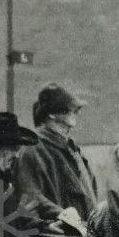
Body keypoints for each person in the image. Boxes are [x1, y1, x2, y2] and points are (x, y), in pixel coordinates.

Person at [17, 83, 98, 225]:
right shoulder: (33, 149)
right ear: (51, 113)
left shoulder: (73, 148)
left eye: (77, 109)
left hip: (83, 235)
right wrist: (60, 213)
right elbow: (29, 196)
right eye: (70, 109)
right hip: (56, 236)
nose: (76, 113)